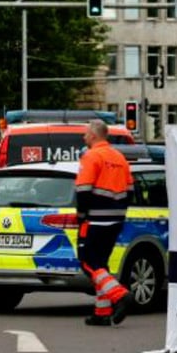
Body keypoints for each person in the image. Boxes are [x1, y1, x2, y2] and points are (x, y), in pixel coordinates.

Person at [75, 119, 134, 326]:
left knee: (88, 261)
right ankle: (102, 312)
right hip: (116, 218)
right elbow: (130, 191)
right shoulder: (120, 157)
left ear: (93, 135)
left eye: (85, 134)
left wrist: (81, 216)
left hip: (95, 218)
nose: (83, 137)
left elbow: (83, 190)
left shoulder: (91, 156)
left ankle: (120, 295)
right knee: (101, 264)